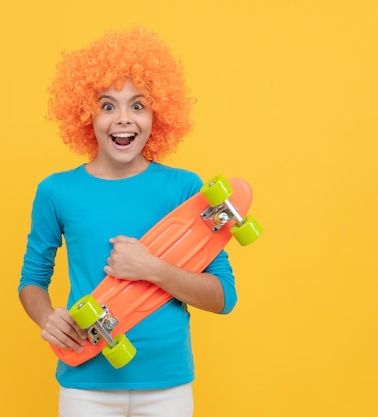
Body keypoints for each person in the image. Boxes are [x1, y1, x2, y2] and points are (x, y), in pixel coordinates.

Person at [18, 27, 237, 417]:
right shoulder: (56, 191)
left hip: (167, 386)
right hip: (86, 383)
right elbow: (32, 281)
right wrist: (47, 318)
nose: (123, 120)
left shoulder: (185, 188)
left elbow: (223, 298)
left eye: (138, 105)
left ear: (158, 113)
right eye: (107, 106)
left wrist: (151, 268)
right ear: (87, 113)